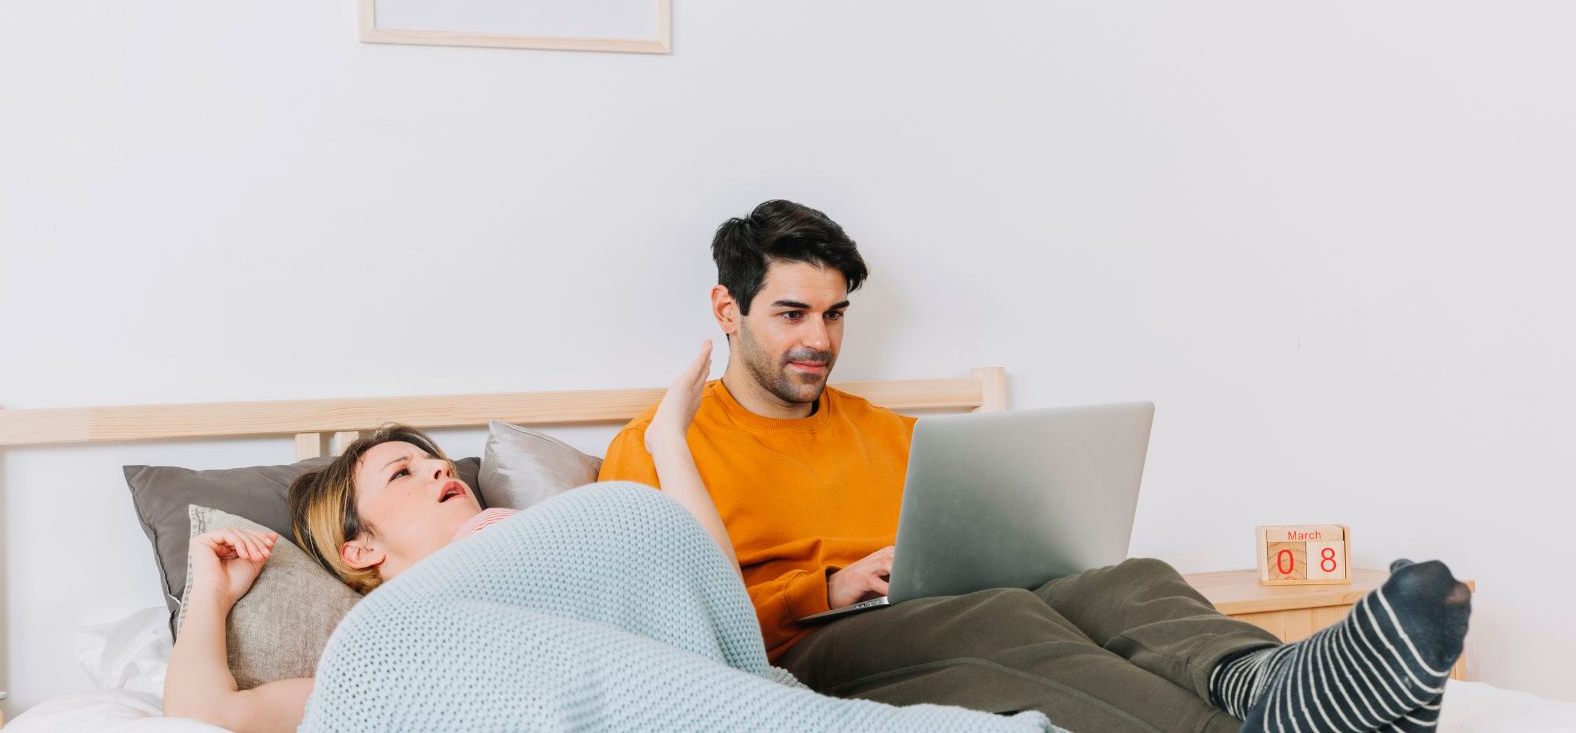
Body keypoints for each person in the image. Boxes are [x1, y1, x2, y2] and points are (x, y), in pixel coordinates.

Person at [599, 199, 1473, 733]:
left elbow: (979, 548)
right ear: (728, 308)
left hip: (940, 605)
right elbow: (664, 627)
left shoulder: (892, 433)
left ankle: (1269, 683)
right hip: (812, 649)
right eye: (792, 314)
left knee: (1124, 577)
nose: (819, 340)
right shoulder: (660, 445)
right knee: (997, 618)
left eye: (835, 315)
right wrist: (822, 590)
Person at [163, 343, 738, 733]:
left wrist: (669, 440)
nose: (441, 467)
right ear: (360, 549)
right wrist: (211, 592)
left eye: (433, 460)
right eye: (402, 473)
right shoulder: (379, 654)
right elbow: (205, 716)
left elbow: (715, 593)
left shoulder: (555, 535)